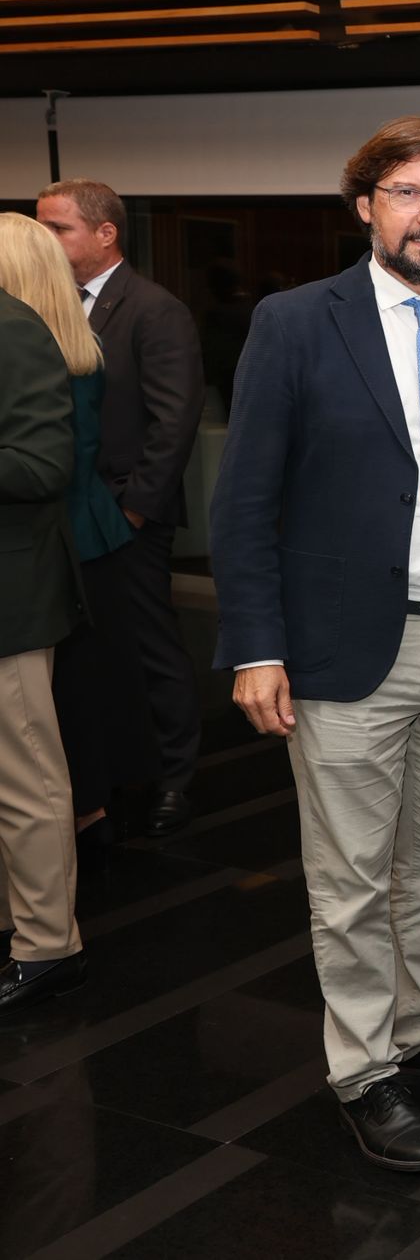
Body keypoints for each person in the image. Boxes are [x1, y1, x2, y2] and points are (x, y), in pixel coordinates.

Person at [210, 116, 420, 1172]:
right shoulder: (296, 323)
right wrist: (255, 645)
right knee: (352, 878)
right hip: (349, 649)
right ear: (366, 207)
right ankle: (364, 1069)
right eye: (408, 193)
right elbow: (244, 500)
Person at [37, 179, 205, 839]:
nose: (47, 239)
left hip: (126, 513)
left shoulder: (154, 309)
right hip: (71, 514)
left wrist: (134, 509)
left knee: (149, 643)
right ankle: (112, 772)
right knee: (93, 651)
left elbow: (175, 421)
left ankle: (175, 776)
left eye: (59, 227)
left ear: (105, 233)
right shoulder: (48, 305)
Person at [0, 214, 145, 859]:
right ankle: (93, 811)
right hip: (80, 537)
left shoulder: (27, 348)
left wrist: (138, 508)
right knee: (80, 694)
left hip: (58, 544)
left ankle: (84, 817)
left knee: (55, 711)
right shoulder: (76, 345)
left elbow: (48, 467)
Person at [0, 280, 89, 1017]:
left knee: (25, 780)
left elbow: (41, 465)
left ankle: (48, 947)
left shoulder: (13, 328)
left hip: (12, 601)